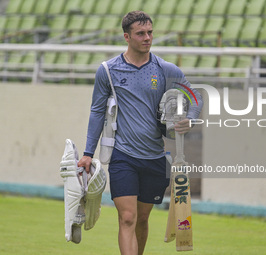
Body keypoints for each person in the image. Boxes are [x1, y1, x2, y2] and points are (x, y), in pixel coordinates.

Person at [78, 11, 203, 255]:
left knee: (142, 220)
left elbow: (193, 94)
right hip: (123, 156)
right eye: (141, 33)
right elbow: (96, 112)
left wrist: (191, 118)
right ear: (127, 37)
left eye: (150, 32)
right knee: (127, 217)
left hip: (156, 157)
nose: (148, 38)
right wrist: (87, 153)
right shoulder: (108, 70)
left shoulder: (165, 69)